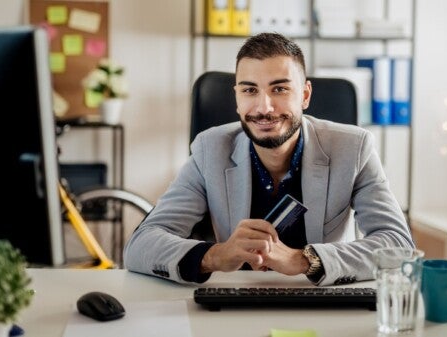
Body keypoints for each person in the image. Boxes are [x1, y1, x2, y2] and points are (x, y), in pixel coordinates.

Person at [124, 32, 414, 286]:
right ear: (237, 99)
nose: (264, 107)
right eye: (250, 90)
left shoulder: (354, 147)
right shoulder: (209, 149)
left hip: (322, 298)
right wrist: (215, 255)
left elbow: (399, 245)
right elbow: (140, 245)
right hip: (237, 298)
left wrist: (304, 260)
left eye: (280, 89)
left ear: (305, 95)